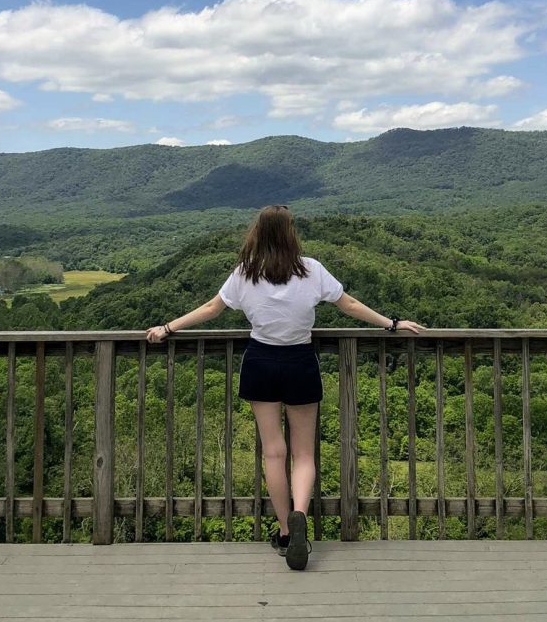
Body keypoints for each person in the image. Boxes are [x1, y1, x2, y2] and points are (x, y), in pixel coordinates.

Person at [147, 204, 425, 570]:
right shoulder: (311, 270)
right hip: (299, 362)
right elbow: (350, 305)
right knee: (304, 454)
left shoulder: (245, 272)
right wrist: (391, 323)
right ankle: (299, 515)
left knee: (274, 453)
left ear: (258, 234)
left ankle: (283, 531)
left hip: (260, 362)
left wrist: (167, 328)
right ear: (291, 233)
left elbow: (212, 308)